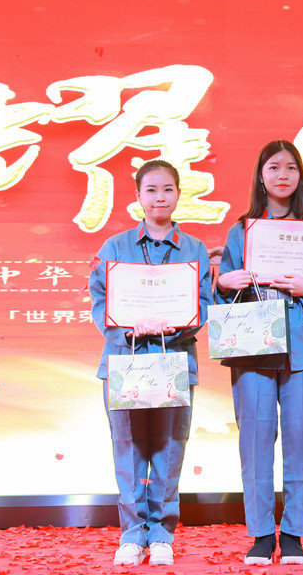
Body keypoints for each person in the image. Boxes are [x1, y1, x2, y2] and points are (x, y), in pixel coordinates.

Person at [89, 160, 212, 566]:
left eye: (168, 189)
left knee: (169, 448)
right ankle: (131, 533)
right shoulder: (114, 247)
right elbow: (100, 301)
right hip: (125, 360)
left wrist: (176, 326)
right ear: (138, 196)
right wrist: (128, 329)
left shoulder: (194, 249)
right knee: (127, 448)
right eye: (151, 190)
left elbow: (204, 304)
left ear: (178, 194)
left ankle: (161, 533)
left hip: (174, 360)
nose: (160, 197)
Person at [215, 140, 303, 566]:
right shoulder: (241, 230)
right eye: (273, 167)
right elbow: (223, 288)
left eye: (291, 167)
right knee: (256, 441)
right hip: (253, 347)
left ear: (300, 176)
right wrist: (223, 282)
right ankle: (262, 533)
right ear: (260, 176)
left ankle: (295, 533)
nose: (283, 175)